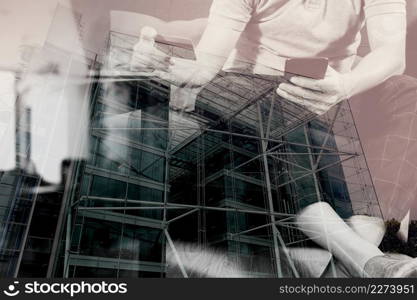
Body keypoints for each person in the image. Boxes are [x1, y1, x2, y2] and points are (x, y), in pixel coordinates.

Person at [131, 0, 417, 277]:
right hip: (249, 94)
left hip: (331, 97)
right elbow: (207, 62)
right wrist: (167, 63)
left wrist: (344, 86)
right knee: (261, 99)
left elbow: (391, 54)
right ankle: (366, 259)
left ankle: (352, 258)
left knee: (407, 90)